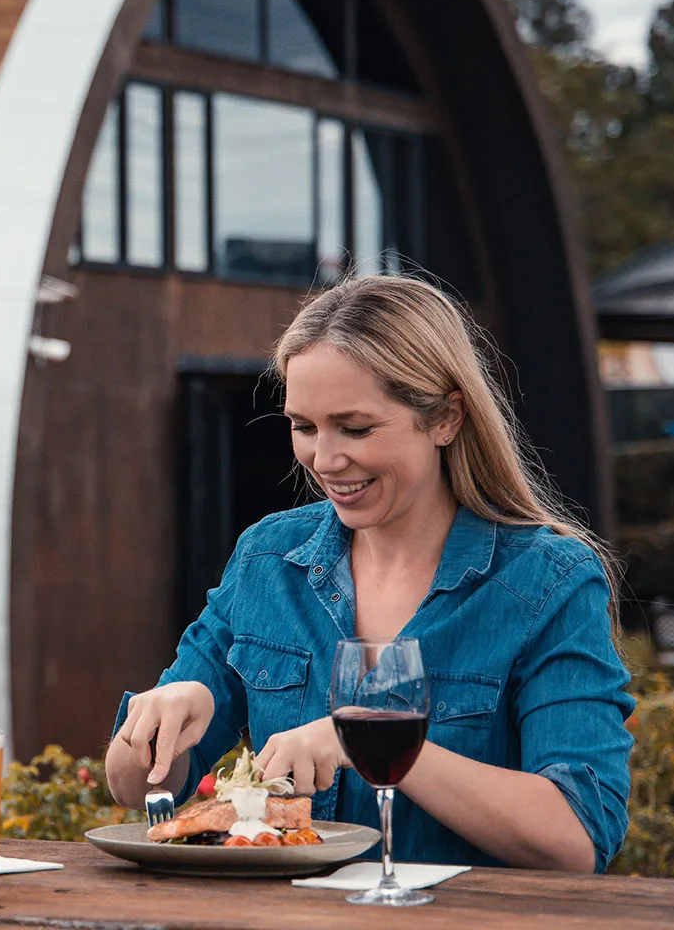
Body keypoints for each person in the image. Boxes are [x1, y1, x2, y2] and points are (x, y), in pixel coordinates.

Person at [105, 275, 632, 872]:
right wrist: (163, 718)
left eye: (355, 428)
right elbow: (135, 789)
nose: (325, 461)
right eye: (304, 427)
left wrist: (375, 742)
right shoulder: (267, 558)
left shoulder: (549, 582)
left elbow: (577, 838)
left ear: (446, 419)